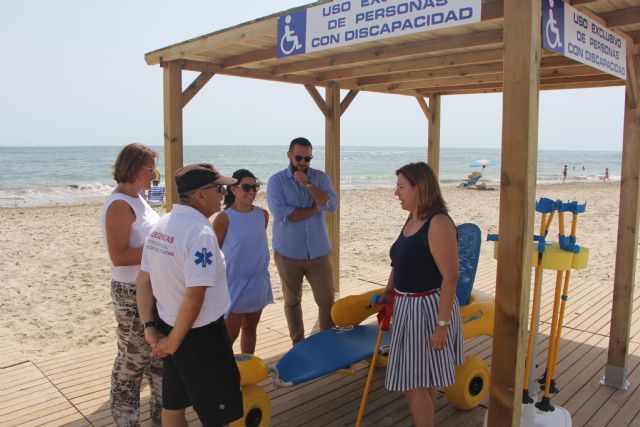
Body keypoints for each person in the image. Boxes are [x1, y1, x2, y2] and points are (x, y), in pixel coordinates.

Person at [136, 163, 243, 427]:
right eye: (219, 188)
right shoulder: (200, 233)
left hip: (170, 327)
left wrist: (150, 327)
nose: (223, 194)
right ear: (200, 194)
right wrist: (173, 341)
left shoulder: (160, 226)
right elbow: (195, 297)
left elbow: (143, 280)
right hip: (200, 335)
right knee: (218, 415)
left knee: (173, 405)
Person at [379, 162, 464, 427]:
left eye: (401, 187)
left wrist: (442, 325)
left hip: (428, 310)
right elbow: (400, 262)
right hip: (407, 307)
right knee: (424, 377)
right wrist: (387, 292)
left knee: (413, 382)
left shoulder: (437, 223)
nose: (397, 193)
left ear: (419, 188)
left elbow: (451, 276)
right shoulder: (413, 218)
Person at [101, 142, 163, 425]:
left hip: (150, 289)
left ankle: (162, 416)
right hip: (131, 293)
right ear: (135, 169)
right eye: (151, 169)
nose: (154, 175)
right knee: (132, 361)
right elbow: (119, 256)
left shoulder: (138, 198)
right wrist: (161, 248)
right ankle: (126, 420)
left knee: (155, 355)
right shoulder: (119, 204)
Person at [267, 137, 339, 345]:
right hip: (288, 253)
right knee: (292, 301)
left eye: (308, 158)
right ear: (289, 155)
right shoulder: (276, 181)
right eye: (299, 157)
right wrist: (316, 208)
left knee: (327, 301)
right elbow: (282, 213)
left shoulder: (319, 178)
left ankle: (328, 343)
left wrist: (307, 184)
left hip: (319, 252)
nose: (303, 162)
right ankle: (298, 344)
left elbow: (332, 205)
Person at [213, 169, 273, 354]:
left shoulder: (262, 215)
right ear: (233, 189)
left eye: (255, 187)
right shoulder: (224, 218)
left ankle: (247, 368)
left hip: (257, 282)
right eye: (246, 187)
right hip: (234, 284)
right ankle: (225, 376)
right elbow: (215, 253)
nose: (252, 192)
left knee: (250, 329)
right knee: (229, 336)